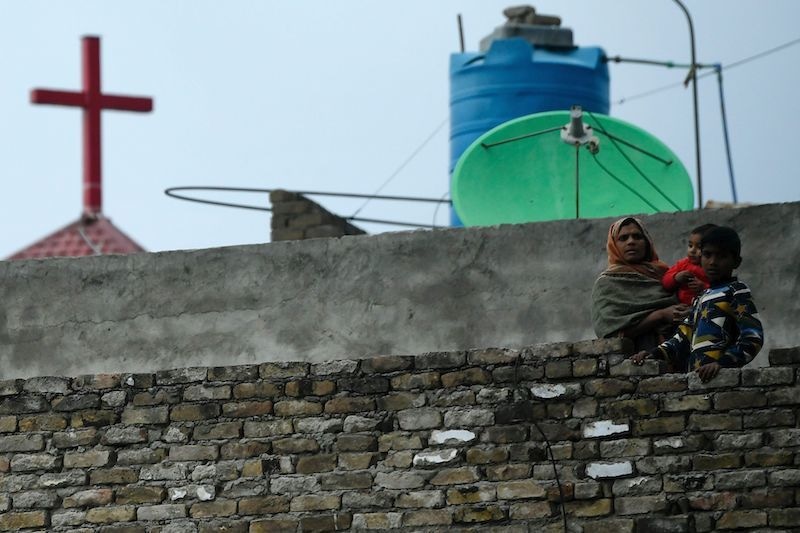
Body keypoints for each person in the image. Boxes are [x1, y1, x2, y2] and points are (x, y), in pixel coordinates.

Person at [632, 226, 764, 382]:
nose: (713, 262)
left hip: (724, 382)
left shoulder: (736, 291)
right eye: (707, 255)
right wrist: (652, 354)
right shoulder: (700, 297)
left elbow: (753, 337)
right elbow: (682, 338)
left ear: (736, 262)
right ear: (700, 258)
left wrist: (723, 364)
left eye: (721, 256)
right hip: (696, 384)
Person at [592, 217, 688, 351]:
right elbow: (610, 334)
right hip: (636, 362)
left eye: (637, 236)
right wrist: (660, 315)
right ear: (613, 245)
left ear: (647, 242)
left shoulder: (666, 275)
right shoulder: (607, 283)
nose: (631, 242)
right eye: (623, 238)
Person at [662, 223, 716, 305]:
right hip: (681, 305)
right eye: (690, 245)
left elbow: (719, 289)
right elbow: (665, 282)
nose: (692, 251)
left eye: (699, 247)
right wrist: (676, 277)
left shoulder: (711, 267)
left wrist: (704, 287)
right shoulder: (683, 264)